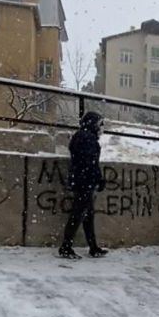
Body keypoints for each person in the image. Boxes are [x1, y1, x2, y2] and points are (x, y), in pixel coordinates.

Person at [58, 111, 107, 259]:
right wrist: (99, 179)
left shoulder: (81, 136)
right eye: (100, 124)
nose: (102, 128)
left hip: (80, 180)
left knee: (87, 215)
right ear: (93, 124)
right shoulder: (88, 139)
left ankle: (93, 247)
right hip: (84, 182)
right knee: (79, 215)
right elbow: (90, 163)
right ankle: (66, 247)